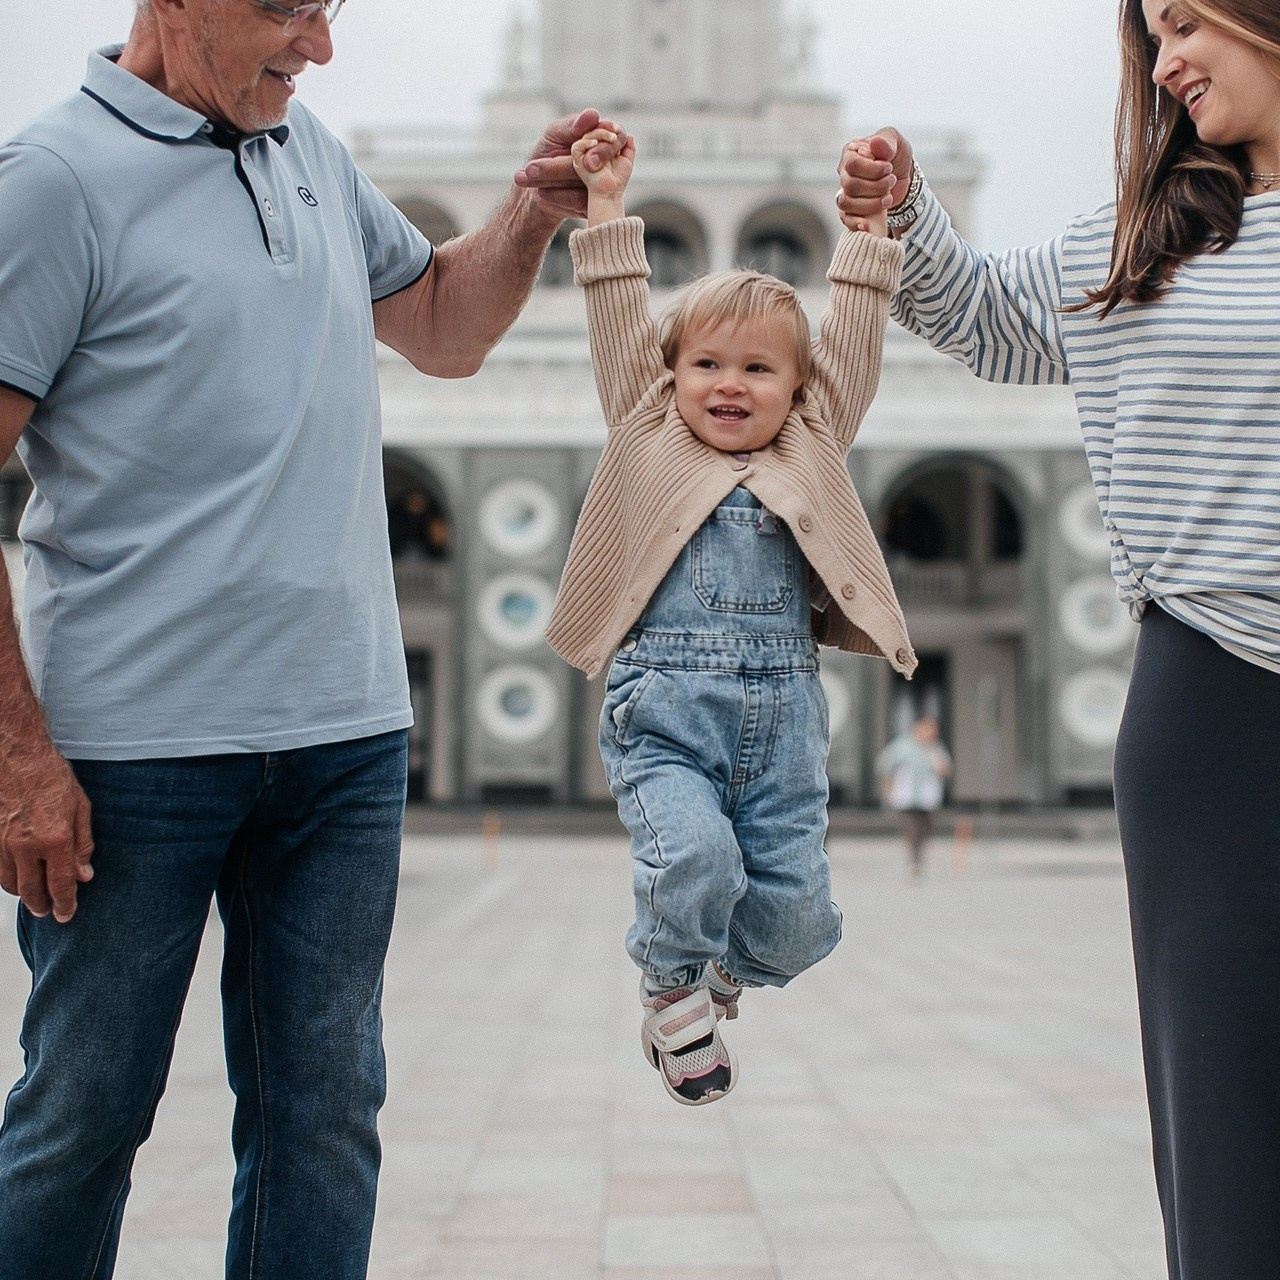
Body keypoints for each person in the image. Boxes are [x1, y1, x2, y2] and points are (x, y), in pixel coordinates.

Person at [0, 1, 620, 1274]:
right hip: (131, 756)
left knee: (325, 1124)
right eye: (286, 8)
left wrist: (531, 216)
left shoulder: (309, 152)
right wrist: (16, 758)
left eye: (328, 8)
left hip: (343, 739)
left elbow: (442, 325)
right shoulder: (51, 183)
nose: (319, 46)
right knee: (82, 1121)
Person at [838, 1, 1280, 1274]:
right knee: (1227, 1113)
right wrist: (907, 213)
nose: (1165, 60)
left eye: (1185, 22)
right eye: (1149, 37)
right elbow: (984, 317)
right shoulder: (1142, 241)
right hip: (1216, 704)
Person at [544, 126, 914, 1106]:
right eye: (706, 364)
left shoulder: (812, 440)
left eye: (758, 369)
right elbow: (616, 310)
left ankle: (719, 975)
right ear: (671, 375)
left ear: (798, 389)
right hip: (666, 708)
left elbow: (854, 336)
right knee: (695, 858)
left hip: (784, 724)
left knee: (796, 924)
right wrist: (606, 204)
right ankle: (670, 983)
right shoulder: (646, 425)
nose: (729, 384)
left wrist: (868, 233)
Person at [875, 714, 952, 877]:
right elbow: (885, 764)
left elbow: (946, 770)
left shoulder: (936, 748)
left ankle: (918, 857)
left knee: (926, 828)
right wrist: (889, 786)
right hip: (906, 796)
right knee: (912, 827)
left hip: (927, 797)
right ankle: (915, 860)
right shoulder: (903, 746)